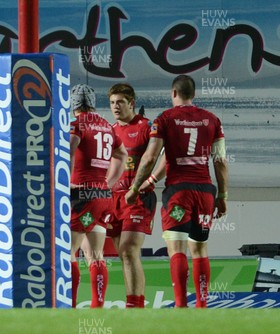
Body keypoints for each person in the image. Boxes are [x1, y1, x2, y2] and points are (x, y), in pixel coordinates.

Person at [126, 75, 228, 308]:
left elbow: (152, 156)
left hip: (178, 191)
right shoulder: (212, 120)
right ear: (193, 94)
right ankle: (202, 306)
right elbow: (220, 161)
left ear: (173, 93)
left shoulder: (165, 119)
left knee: (176, 247)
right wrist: (222, 196)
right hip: (205, 192)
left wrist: (134, 187)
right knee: (200, 248)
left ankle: (181, 306)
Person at [69, 84, 127, 308]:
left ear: (73, 104)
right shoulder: (106, 126)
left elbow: (70, 150)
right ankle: (98, 306)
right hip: (103, 196)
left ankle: (70, 306)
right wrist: (109, 183)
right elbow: (122, 154)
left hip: (83, 195)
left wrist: (66, 183)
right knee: (95, 254)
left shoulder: (77, 125)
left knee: (68, 253)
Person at [107, 83, 163, 308]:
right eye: (112, 103)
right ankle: (135, 301)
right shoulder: (110, 131)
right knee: (125, 255)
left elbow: (166, 158)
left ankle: (134, 306)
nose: (115, 107)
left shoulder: (146, 127)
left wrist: (149, 182)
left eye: (120, 102)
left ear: (131, 103)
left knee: (128, 250)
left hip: (138, 198)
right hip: (114, 199)